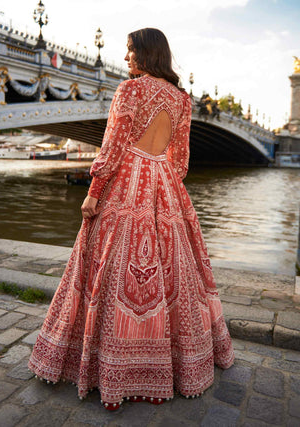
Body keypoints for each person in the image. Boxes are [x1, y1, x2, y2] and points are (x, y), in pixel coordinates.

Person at [28, 27, 234, 411]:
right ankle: (175, 364)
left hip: (127, 181)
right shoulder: (181, 99)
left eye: (129, 51)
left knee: (109, 267)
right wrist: (163, 181)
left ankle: (109, 364)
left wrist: (94, 191)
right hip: (164, 182)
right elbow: (182, 160)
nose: (125, 59)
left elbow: (113, 145)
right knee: (175, 270)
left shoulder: (130, 91)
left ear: (145, 53)